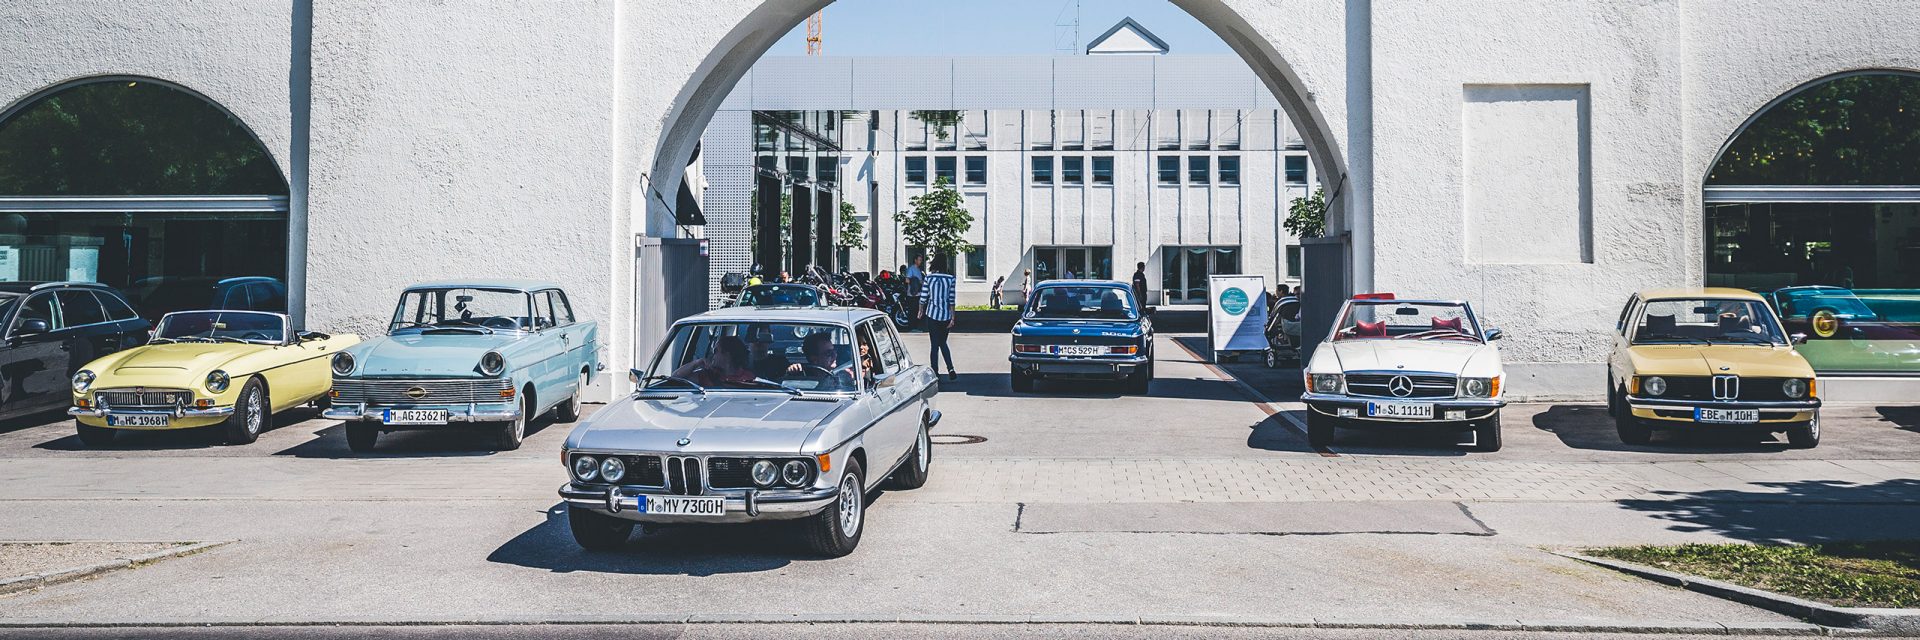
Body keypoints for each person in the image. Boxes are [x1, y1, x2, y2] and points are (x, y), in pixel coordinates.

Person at [919, 257, 958, 381]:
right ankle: (950, 368)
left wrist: (920, 310)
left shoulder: (929, 278)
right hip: (945, 315)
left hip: (932, 314)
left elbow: (923, 296)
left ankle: (935, 371)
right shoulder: (951, 279)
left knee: (934, 345)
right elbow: (951, 299)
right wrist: (953, 317)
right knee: (943, 343)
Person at [671, 335, 755, 387]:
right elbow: (675, 378)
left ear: (727, 355)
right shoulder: (707, 375)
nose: (712, 355)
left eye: (716, 351)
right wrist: (696, 363)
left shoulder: (748, 378)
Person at [786, 331, 854, 390]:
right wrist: (792, 372)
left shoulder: (843, 375)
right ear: (814, 359)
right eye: (829, 353)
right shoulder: (802, 376)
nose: (835, 355)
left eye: (834, 351)